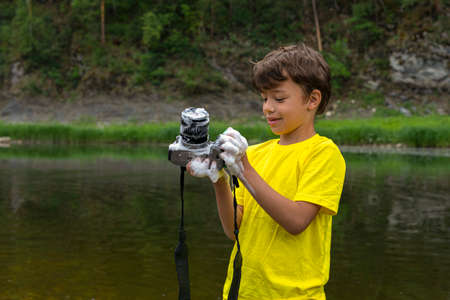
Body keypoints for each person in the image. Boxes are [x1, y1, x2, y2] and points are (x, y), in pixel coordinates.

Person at [187, 43, 346, 300]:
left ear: (312, 100)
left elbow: (296, 222)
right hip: (242, 292)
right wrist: (220, 179)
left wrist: (244, 170)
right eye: (264, 98)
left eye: (279, 98)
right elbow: (233, 230)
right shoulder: (255, 154)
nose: (267, 108)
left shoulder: (323, 153)